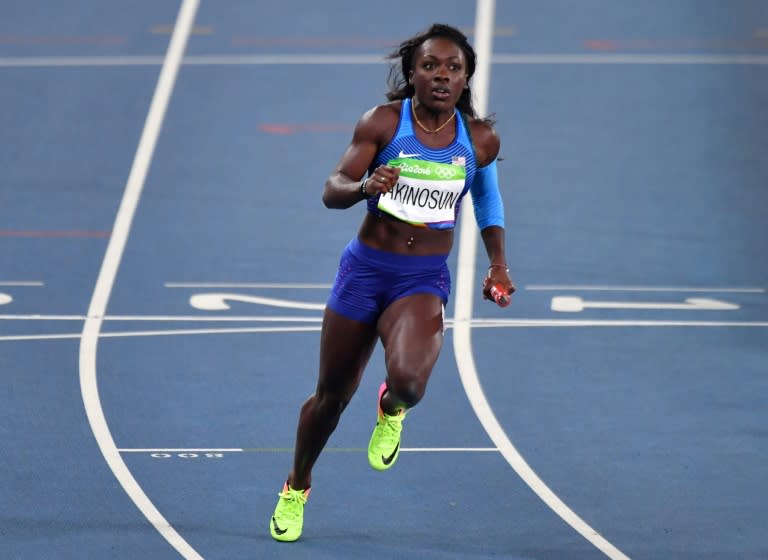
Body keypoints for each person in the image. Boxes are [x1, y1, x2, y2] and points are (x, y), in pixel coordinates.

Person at [269, 22, 515, 542]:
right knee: (330, 398)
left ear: (466, 78)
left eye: (453, 68)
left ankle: (391, 409)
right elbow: (331, 190)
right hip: (365, 272)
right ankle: (297, 486)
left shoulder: (479, 140)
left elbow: (487, 201)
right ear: (412, 73)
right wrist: (364, 186)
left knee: (408, 382)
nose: (441, 76)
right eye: (430, 66)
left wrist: (498, 264)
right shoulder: (382, 124)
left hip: (421, 278)